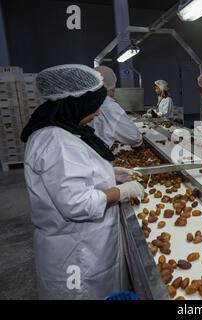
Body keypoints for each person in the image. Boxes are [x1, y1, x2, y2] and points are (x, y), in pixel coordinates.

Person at [20, 64, 145, 300]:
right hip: (77, 254)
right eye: (93, 107)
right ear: (75, 105)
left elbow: (76, 175)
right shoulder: (57, 141)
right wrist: (121, 191)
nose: (97, 113)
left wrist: (110, 173)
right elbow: (76, 203)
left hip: (89, 243)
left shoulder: (65, 132)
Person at [89, 66, 142, 148]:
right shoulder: (109, 106)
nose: (114, 91)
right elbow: (134, 137)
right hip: (99, 153)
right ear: (110, 86)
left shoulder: (88, 101)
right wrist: (139, 140)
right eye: (113, 88)